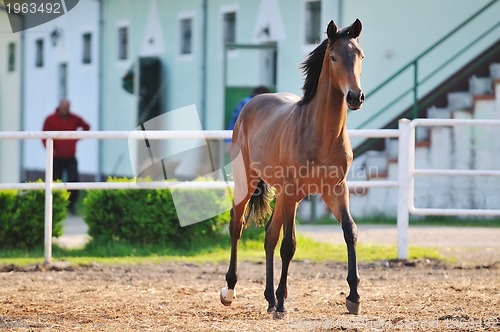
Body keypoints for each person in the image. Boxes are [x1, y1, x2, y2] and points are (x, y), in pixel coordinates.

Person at [42, 99, 90, 214]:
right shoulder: (51, 119)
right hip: (57, 156)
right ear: (59, 107)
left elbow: (86, 127)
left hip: (70, 156)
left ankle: (71, 205)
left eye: (67, 107)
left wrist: (75, 139)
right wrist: (50, 148)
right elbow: (44, 135)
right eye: (63, 107)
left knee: (73, 179)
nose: (65, 109)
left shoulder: (74, 118)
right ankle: (54, 204)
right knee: (55, 180)